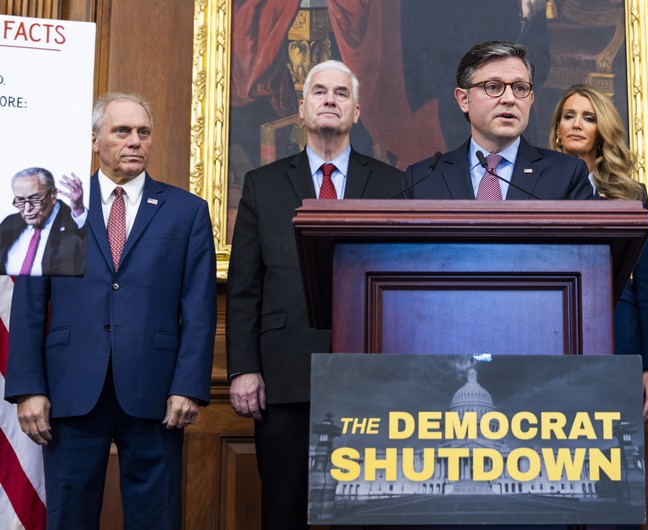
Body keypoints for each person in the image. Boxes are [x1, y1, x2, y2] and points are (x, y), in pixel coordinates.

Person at [4, 92, 217, 530]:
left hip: (156, 395)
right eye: (122, 131)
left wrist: (189, 386)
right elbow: (28, 307)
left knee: (157, 517)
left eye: (143, 132)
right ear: (96, 140)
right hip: (70, 392)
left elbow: (199, 307)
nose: (135, 141)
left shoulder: (187, 212)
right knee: (69, 517)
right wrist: (28, 388)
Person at [225, 59, 403, 529]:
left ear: (357, 111)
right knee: (283, 511)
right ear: (302, 108)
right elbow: (245, 286)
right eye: (319, 92)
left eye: (341, 93)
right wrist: (244, 369)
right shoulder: (263, 185)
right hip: (283, 376)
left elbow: (404, 281)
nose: (330, 99)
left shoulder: (390, 184)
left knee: (367, 512)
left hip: (369, 375)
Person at [548, 84, 648, 421]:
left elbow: (646, 283)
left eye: (588, 118)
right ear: (557, 129)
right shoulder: (535, 190)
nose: (576, 124)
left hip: (619, 333)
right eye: (568, 116)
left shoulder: (630, 193)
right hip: (553, 333)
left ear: (601, 131)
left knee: (616, 451)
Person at [403, 40, 593, 201]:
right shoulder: (422, 179)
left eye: (519, 88)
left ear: (530, 99)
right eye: (493, 87)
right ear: (463, 99)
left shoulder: (566, 175)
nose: (509, 99)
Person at [0, 167, 87, 276]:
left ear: (53, 195)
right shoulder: (9, 223)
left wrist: (78, 208)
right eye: (20, 200)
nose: (27, 209)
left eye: (35, 199)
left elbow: (86, 239)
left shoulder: (73, 222)